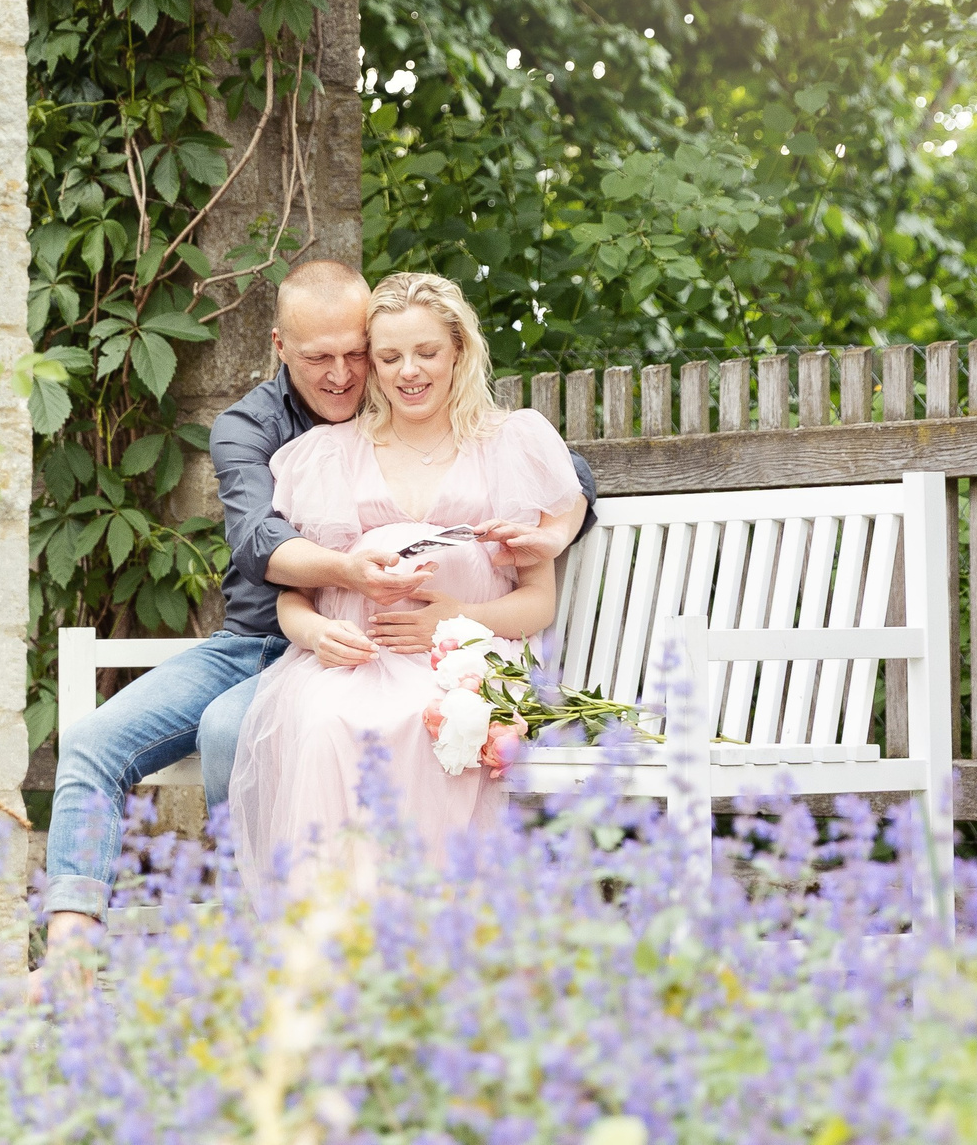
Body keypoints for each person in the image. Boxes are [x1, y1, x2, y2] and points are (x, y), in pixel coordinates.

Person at [37, 260, 595, 979]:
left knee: (237, 729)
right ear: (280, 348)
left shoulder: (476, 427)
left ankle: (266, 943)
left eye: (356, 354)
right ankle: (72, 955)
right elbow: (254, 542)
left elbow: (558, 478)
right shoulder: (258, 432)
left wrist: (550, 532)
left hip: (382, 652)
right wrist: (345, 577)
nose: (344, 374)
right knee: (93, 740)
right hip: (262, 639)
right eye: (321, 358)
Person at [226, 271, 586, 897]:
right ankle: (337, 939)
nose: (408, 372)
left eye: (427, 353)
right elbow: (294, 597)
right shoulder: (329, 453)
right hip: (353, 662)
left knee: (418, 721)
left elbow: (538, 602)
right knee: (323, 722)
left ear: (459, 352)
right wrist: (318, 635)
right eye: (389, 357)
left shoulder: (508, 443)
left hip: (462, 660)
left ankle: (427, 934)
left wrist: (457, 619)